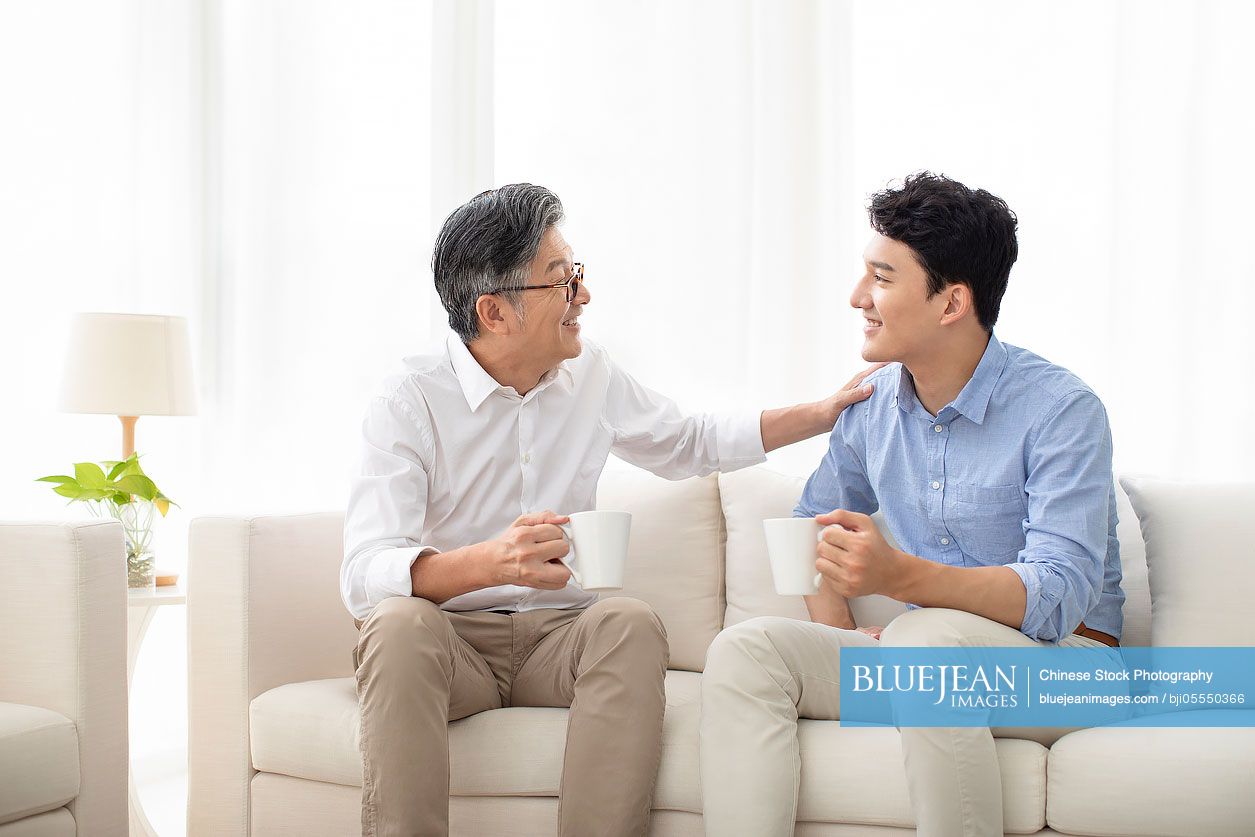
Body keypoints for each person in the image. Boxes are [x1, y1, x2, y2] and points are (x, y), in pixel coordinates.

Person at [342, 183, 880, 837]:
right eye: (561, 281)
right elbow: (364, 572)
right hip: (447, 643)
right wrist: (487, 561)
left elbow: (688, 441)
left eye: (578, 274)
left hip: (556, 639)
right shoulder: (409, 400)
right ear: (494, 311)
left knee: (628, 621)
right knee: (396, 625)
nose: (583, 295)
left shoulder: (589, 374)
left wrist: (820, 413)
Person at [699, 172, 1124, 837]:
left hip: (1067, 662)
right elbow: (810, 522)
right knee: (746, 649)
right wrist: (842, 632)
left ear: (950, 301)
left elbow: (1060, 595)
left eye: (882, 278)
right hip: (928, 655)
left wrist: (900, 580)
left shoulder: (1061, 409)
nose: (856, 298)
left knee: (924, 639)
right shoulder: (871, 408)